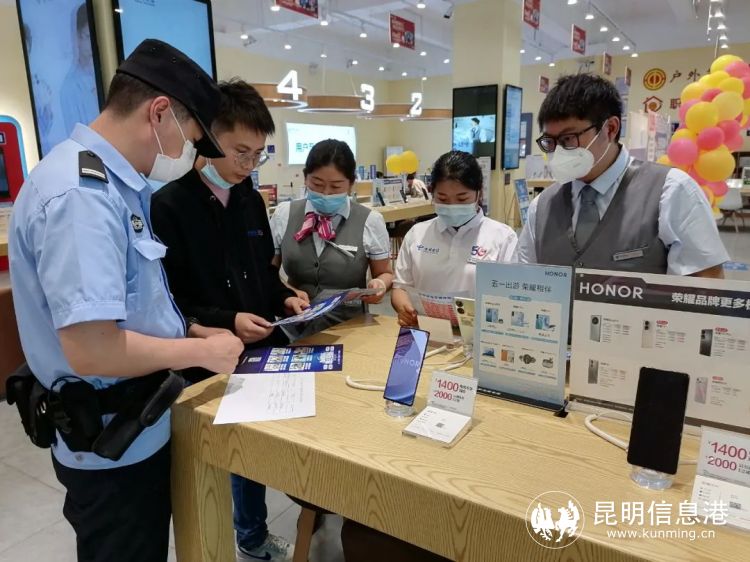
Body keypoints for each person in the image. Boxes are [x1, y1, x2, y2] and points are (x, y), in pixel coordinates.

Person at [8, 39, 244, 562]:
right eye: (191, 140)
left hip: (138, 423)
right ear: (159, 113)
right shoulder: (82, 197)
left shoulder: (115, 187)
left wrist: (188, 330)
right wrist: (201, 353)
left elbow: (128, 304)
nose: (186, 155)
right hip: (112, 442)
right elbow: (93, 349)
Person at [151, 79, 305, 562]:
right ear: (208, 137)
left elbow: (262, 274)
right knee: (218, 458)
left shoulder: (249, 200)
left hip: (259, 347)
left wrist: (285, 298)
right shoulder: (169, 206)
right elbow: (170, 300)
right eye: (241, 152)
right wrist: (227, 320)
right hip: (204, 359)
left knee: (257, 448)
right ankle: (236, 539)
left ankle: (257, 532)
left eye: (258, 155)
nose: (249, 165)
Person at [518, 73, 729, 277]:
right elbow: (523, 280)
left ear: (610, 129)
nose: (558, 151)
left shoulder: (672, 191)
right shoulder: (542, 206)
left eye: (568, 139)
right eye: (550, 142)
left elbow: (706, 282)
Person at [270, 139, 393, 336]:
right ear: (305, 178)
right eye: (317, 184)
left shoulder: (370, 221)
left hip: (350, 327)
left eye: (336, 187)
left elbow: (385, 273)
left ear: (351, 183)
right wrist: (286, 292)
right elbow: (267, 273)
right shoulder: (284, 214)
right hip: (294, 326)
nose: (325, 193)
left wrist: (380, 285)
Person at [391, 151, 518, 327]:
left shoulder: (503, 238)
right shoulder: (417, 234)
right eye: (442, 198)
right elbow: (400, 287)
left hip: (478, 335)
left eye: (462, 198)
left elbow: (512, 299)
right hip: (424, 331)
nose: (452, 206)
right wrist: (405, 309)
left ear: (479, 193)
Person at [61, 4, 99, 135]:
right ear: (77, 37)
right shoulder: (69, 87)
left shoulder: (100, 75)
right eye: (88, 37)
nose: (92, 44)